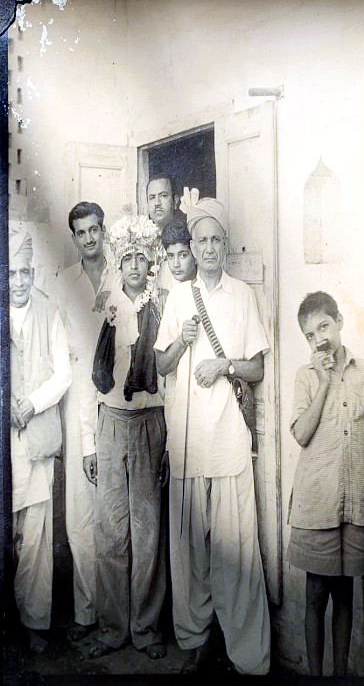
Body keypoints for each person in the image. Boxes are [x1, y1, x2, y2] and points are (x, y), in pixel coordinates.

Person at [154, 195, 271, 675]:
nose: (207, 248)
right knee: (191, 552)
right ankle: (195, 640)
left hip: (227, 439)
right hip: (188, 441)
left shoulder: (244, 295)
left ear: (225, 244)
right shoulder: (179, 296)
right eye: (199, 240)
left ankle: (246, 653)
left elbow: (258, 368)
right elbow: (158, 364)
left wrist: (223, 363)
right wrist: (181, 343)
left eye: (215, 239)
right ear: (191, 245)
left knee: (236, 549)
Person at [287, 291, 364, 677]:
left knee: (345, 596)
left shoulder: (361, 371)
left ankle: (339, 678)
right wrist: (322, 383)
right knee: (316, 595)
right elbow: (301, 434)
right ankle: (315, 678)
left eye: (324, 326)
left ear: (339, 323)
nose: (320, 338)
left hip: (352, 504)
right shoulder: (305, 376)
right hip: (317, 503)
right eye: (310, 334)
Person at [80, 214, 168, 660]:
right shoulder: (105, 303)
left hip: (150, 425)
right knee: (111, 530)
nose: (134, 265)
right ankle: (112, 629)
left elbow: (170, 379)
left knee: (147, 530)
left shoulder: (162, 304)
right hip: (111, 422)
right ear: (119, 261)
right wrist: (90, 444)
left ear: (151, 261)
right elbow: (89, 375)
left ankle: (146, 630)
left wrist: (168, 440)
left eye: (141, 257)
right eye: (127, 257)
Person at [10, 229, 72, 654]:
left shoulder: (50, 312)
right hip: (5, 444)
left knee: (34, 539)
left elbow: (64, 374)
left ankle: (32, 624)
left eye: (24, 272)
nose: (17, 281)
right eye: (10, 272)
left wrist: (31, 404)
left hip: (35, 440)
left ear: (33, 274)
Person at [56, 201, 112, 642]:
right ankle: (88, 612)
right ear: (73, 238)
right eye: (82, 233)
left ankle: (122, 614)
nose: (90, 238)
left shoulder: (125, 271)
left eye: (95, 229)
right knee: (80, 509)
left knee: (118, 507)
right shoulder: (65, 283)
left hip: (117, 397)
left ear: (104, 230)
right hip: (78, 393)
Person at [147, 174, 187, 292]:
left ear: (175, 201)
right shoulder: (141, 238)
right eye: (152, 197)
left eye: (163, 196)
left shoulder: (187, 235)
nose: (157, 203)